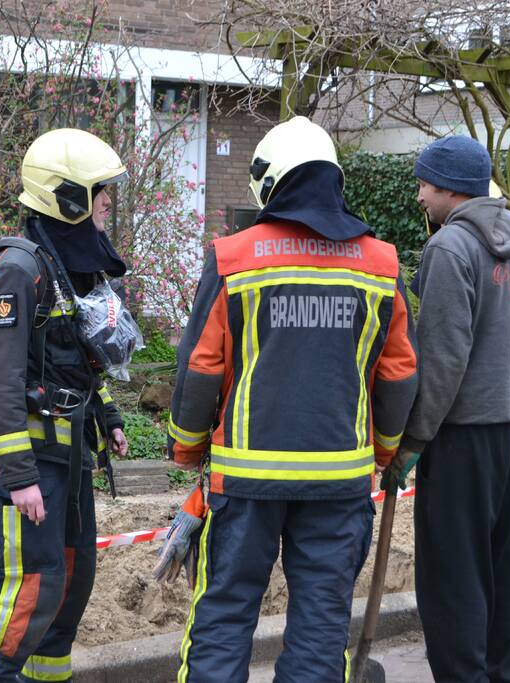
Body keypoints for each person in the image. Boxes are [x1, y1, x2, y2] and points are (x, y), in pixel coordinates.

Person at [167, 116, 419, 683]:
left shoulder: (234, 256)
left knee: (225, 614)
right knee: (321, 623)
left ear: (269, 181)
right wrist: (383, 452)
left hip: (244, 483)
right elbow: (400, 373)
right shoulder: (381, 265)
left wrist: (186, 450)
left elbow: (201, 365)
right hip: (339, 484)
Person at [0, 128, 131, 683]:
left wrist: (107, 416)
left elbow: (70, 361)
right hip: (30, 466)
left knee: (66, 586)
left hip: (69, 457)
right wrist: (20, 476)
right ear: (68, 196)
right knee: (26, 590)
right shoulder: (17, 270)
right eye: (100, 190)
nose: (108, 201)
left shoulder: (69, 268)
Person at [387, 135, 510, 683]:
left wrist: (410, 443)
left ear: (449, 187)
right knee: (505, 565)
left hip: (460, 440)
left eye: (424, 184)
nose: (418, 197)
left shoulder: (450, 249)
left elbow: (440, 361)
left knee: (454, 575)